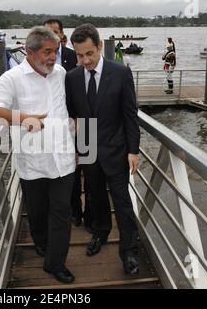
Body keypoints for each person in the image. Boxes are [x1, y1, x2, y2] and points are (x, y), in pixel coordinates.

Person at [0, 26, 76, 284]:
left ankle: (55, 263)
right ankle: (41, 242)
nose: (52, 57)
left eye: (55, 52)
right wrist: (23, 119)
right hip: (32, 162)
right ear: (31, 51)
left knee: (61, 212)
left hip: (64, 159)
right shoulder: (12, 78)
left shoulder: (61, 73)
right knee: (37, 212)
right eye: (47, 52)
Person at [66, 23, 140, 275]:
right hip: (86, 145)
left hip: (116, 149)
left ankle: (129, 252)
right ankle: (100, 233)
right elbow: (74, 115)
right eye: (79, 55)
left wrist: (134, 150)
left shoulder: (120, 72)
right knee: (95, 197)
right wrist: (76, 146)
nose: (85, 60)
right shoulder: (72, 78)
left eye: (89, 54)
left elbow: (130, 116)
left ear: (99, 46)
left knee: (122, 202)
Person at [43, 19, 90, 229]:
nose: (51, 35)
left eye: (54, 31)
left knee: (88, 170)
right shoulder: (39, 59)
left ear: (62, 35)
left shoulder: (76, 56)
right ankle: (74, 211)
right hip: (59, 126)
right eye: (47, 32)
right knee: (67, 170)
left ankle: (92, 214)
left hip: (84, 122)